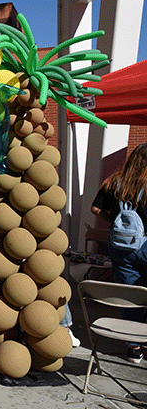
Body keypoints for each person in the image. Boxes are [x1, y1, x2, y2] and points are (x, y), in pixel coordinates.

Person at [91, 142, 147, 363]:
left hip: (119, 246)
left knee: (129, 295)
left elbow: (95, 209)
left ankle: (133, 346)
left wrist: (113, 222)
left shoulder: (114, 181)